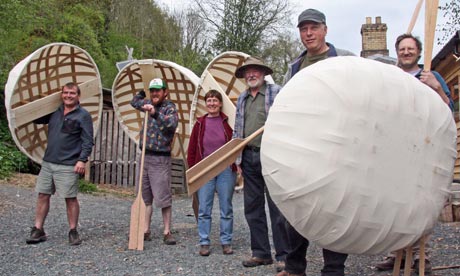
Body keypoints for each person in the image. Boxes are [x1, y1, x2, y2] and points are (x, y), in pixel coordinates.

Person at [277, 8, 354, 276]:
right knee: (296, 208)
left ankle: (333, 269)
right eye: (303, 29)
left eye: (314, 28)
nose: (308, 33)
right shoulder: (295, 68)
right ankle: (295, 267)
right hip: (303, 150)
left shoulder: (345, 60)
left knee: (333, 210)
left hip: (336, 149)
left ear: (325, 29)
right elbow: (284, 108)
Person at [374, 33, 454, 275]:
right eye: (402, 49)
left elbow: (449, 111)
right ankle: (395, 254)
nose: (406, 52)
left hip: (425, 147)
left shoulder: (430, 75)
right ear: (397, 52)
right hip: (397, 147)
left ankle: (421, 256)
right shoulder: (392, 77)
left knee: (421, 204)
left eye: (410, 48)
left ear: (418, 52)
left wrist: (437, 87)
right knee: (396, 203)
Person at [233, 56, 289, 273]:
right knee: (252, 208)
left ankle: (283, 255)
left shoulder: (276, 92)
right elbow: (239, 130)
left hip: (272, 156)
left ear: (263, 73)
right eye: (247, 72)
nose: (251, 74)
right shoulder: (242, 98)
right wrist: (238, 159)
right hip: (249, 157)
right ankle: (261, 253)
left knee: (278, 208)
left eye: (255, 70)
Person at [26, 82, 94, 246]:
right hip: (49, 162)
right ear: (61, 94)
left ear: (78, 96)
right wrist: (37, 100)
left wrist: (82, 160)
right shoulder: (54, 112)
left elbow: (88, 141)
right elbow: (33, 116)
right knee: (43, 195)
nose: (68, 96)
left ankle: (73, 231)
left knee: (70, 198)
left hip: (68, 164)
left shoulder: (83, 115)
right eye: (65, 93)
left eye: (72, 93)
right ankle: (38, 229)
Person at [187, 90, 237, 256]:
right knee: (204, 209)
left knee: (226, 208)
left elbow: (235, 145)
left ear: (220, 103)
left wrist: (236, 165)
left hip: (225, 170)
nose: (212, 103)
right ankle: (204, 242)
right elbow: (192, 149)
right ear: (205, 103)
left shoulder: (227, 122)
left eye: (215, 100)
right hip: (205, 170)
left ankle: (226, 241)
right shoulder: (200, 124)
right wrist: (193, 170)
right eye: (209, 100)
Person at [130, 78, 179, 245]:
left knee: (163, 197)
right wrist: (141, 93)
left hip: (160, 158)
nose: (155, 93)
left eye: (158, 90)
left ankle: (167, 231)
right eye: (152, 90)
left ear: (165, 92)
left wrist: (155, 113)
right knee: (144, 197)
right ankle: (145, 230)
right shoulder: (147, 102)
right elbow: (134, 102)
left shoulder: (170, 108)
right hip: (144, 155)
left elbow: (171, 125)